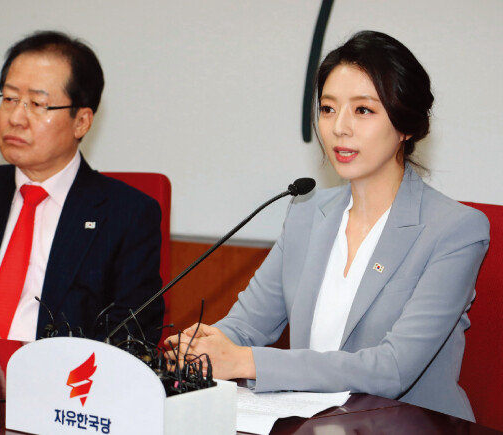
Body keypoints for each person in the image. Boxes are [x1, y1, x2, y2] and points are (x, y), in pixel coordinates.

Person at [166, 31, 489, 421]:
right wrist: (205, 347)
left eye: (363, 110)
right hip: (316, 423)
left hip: (412, 426)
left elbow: (393, 368)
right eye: (328, 109)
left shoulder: (455, 230)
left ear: (405, 125)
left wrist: (245, 361)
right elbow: (247, 325)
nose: (339, 127)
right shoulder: (307, 212)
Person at [0, 30, 164, 344]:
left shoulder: (128, 215)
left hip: (55, 374)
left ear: (81, 121)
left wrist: (3, 351)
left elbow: (129, 336)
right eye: (9, 99)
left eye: (38, 104)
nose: (15, 117)